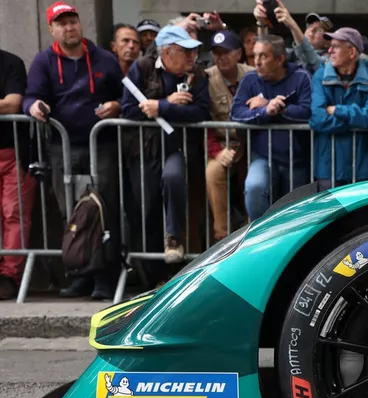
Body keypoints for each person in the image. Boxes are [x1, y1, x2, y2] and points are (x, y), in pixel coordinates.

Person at [24, 1, 124, 300]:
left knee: (104, 209)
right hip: (62, 147)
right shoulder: (43, 61)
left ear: (80, 24)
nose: (69, 27)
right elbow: (31, 96)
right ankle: (80, 274)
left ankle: (106, 277)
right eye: (62, 23)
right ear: (52, 29)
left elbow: (126, 95)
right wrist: (34, 107)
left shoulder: (104, 59)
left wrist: (117, 105)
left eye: (73, 21)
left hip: (102, 144)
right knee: (71, 213)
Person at [121, 25, 210, 267]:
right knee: (147, 207)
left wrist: (162, 107)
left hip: (178, 147)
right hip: (145, 148)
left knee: (173, 177)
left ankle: (173, 239)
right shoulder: (142, 68)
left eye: (193, 51)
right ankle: (149, 272)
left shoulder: (198, 75)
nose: (192, 57)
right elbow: (128, 110)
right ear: (167, 52)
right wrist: (163, 103)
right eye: (186, 51)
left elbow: (201, 111)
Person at [230, 35, 312, 221]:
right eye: (255, 55)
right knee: (254, 187)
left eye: (263, 56)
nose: (257, 62)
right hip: (263, 156)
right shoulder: (250, 79)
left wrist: (272, 106)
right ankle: (260, 236)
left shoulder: (301, 77)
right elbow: (236, 114)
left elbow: (308, 112)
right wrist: (266, 112)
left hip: (297, 159)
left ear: (280, 59)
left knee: (295, 215)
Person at [309, 28, 368, 187]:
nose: (330, 51)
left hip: (363, 167)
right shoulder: (320, 76)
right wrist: (356, 121)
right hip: (328, 166)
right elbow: (317, 119)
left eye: (336, 46)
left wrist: (339, 111)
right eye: (330, 46)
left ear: (351, 52)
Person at [205, 30, 254, 242]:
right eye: (216, 53)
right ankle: (221, 234)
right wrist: (216, 151)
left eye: (226, 52)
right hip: (223, 143)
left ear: (238, 53)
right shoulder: (206, 78)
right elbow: (203, 119)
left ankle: (253, 232)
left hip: (253, 143)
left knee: (255, 181)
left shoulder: (253, 74)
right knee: (213, 171)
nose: (221, 57)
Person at [0, 48, 35, 300]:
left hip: (13, 151)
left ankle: (9, 276)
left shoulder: (10, 62)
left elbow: (13, 103)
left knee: (14, 214)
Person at [259, 1, 333, 74]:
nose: (312, 30)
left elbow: (311, 61)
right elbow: (268, 52)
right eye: (310, 26)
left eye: (319, 30)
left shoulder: (330, 60)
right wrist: (262, 22)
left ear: (327, 43)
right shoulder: (293, 53)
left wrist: (292, 25)